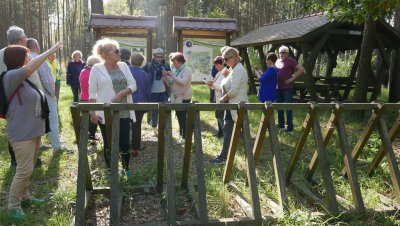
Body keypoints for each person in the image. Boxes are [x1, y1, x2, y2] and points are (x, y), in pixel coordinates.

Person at [3, 42, 63, 221]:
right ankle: (13, 206)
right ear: (18, 59)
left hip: (33, 131)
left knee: (28, 168)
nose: (29, 59)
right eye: (26, 56)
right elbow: (30, 68)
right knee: (24, 169)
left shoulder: (24, 80)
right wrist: (51, 51)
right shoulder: (11, 76)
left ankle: (26, 197)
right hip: (21, 133)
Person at [89, 38, 137, 178]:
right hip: (106, 113)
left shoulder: (123, 66)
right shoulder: (96, 69)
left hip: (124, 110)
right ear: (104, 54)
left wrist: (120, 94)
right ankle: (112, 171)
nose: (119, 53)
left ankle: (126, 169)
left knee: (124, 142)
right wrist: (92, 113)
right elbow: (92, 92)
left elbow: (133, 85)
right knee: (109, 142)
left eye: (118, 50)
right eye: (115, 51)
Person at [0, 26, 43, 168]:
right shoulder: (25, 54)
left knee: (16, 127)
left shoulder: (2, 53)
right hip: (18, 99)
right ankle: (24, 161)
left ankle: (21, 159)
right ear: (21, 39)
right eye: (25, 36)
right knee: (21, 129)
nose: (26, 38)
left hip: (17, 99)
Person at [210, 47, 248, 164]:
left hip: (237, 106)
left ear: (234, 57)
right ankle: (225, 156)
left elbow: (233, 91)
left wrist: (222, 99)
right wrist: (226, 76)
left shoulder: (238, 70)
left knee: (241, 132)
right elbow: (223, 85)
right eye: (224, 60)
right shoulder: (233, 69)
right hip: (231, 106)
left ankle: (250, 157)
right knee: (228, 130)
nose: (225, 62)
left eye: (226, 59)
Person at [27, 38, 63, 151]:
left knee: (35, 119)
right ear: (37, 46)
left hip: (30, 94)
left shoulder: (25, 58)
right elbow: (47, 80)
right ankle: (56, 146)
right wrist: (53, 94)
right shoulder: (39, 58)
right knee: (52, 118)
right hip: (45, 93)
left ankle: (39, 144)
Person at [164, 52, 192, 143]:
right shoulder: (176, 70)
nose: (173, 64)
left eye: (175, 62)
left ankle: (184, 137)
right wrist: (166, 79)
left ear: (180, 62)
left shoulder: (186, 69)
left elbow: (183, 82)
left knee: (182, 117)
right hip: (176, 97)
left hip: (184, 97)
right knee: (179, 116)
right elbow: (171, 84)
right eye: (172, 62)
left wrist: (172, 75)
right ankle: (182, 134)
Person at [275, 46, 304, 132]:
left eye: (283, 52)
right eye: (280, 52)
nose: (281, 54)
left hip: (287, 88)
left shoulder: (291, 60)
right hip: (278, 87)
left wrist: (292, 79)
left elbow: (301, 69)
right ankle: (281, 125)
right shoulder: (277, 61)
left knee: (288, 107)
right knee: (279, 106)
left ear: (287, 53)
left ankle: (289, 127)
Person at [142, 48, 171, 132]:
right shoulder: (149, 65)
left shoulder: (166, 65)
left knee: (164, 109)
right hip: (153, 91)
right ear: (154, 57)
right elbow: (142, 74)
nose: (159, 58)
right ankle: (154, 126)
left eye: (161, 56)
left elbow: (170, 76)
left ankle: (163, 127)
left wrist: (166, 75)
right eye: (157, 57)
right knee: (154, 110)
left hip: (164, 91)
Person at [129, 52, 151, 157]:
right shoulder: (144, 74)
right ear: (142, 62)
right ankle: (135, 148)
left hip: (127, 102)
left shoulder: (125, 71)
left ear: (130, 59)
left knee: (125, 124)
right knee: (136, 125)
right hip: (140, 103)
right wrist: (149, 102)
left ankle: (124, 146)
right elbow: (148, 90)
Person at [79, 55, 101, 141]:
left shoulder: (83, 71)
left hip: (83, 97)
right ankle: (91, 135)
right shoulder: (95, 73)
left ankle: (84, 135)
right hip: (92, 98)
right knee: (94, 116)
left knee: (86, 117)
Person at [206, 56, 226, 138]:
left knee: (221, 118)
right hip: (217, 99)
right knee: (218, 117)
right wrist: (210, 84)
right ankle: (220, 133)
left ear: (221, 64)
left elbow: (222, 86)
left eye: (216, 65)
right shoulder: (218, 73)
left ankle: (225, 136)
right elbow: (215, 85)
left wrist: (212, 84)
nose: (215, 67)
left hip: (222, 99)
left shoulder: (224, 73)